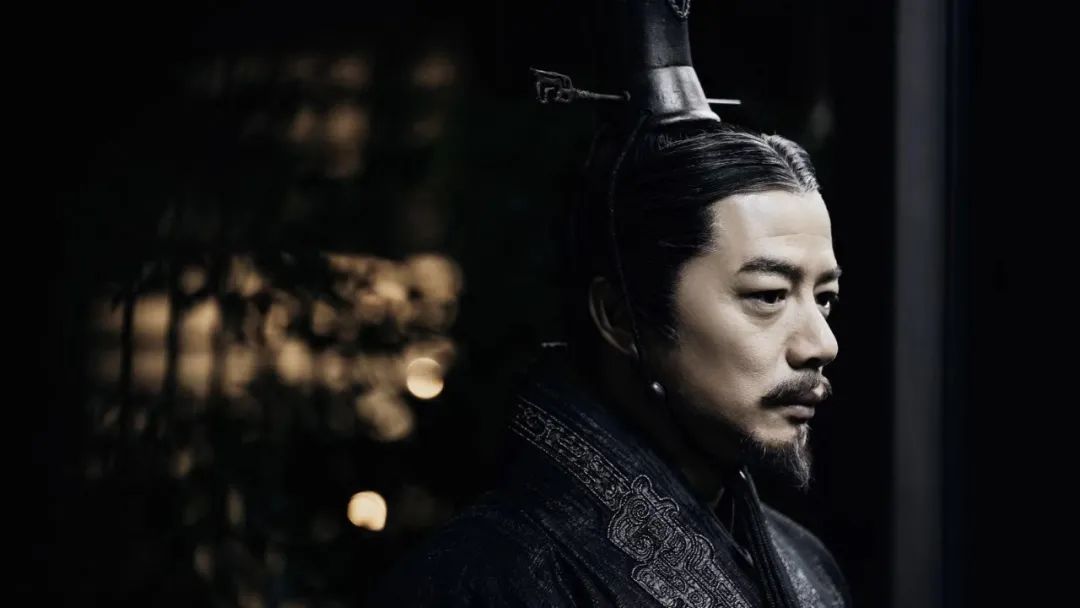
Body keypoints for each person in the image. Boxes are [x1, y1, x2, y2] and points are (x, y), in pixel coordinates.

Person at [368, 1, 850, 606]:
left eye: (824, 299)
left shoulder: (806, 565)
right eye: (769, 296)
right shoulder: (482, 580)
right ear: (622, 317)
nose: (821, 344)